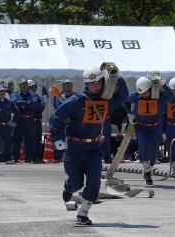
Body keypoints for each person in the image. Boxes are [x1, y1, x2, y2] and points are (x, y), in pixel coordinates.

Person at [49, 66, 115, 225]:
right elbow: (55, 118)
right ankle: (68, 187)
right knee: (76, 183)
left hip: (94, 149)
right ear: (86, 84)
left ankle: (83, 212)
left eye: (99, 82)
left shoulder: (106, 100)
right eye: (92, 83)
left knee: (94, 182)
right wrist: (57, 139)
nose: (96, 86)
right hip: (75, 148)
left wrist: (115, 74)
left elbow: (124, 96)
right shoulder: (76, 101)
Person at [124, 76, 173, 185]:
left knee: (153, 151)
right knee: (145, 144)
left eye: (145, 92)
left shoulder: (158, 97)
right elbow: (124, 101)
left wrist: (164, 85)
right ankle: (146, 170)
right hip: (141, 127)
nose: (143, 95)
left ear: (150, 89)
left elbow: (170, 97)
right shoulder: (136, 96)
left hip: (155, 127)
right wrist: (129, 113)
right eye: (141, 93)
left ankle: (148, 169)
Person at [11, 78, 39, 163]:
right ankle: (14, 158)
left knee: (31, 139)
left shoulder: (32, 94)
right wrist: (26, 103)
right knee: (17, 139)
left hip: (30, 119)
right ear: (19, 86)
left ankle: (33, 158)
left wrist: (22, 104)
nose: (24, 86)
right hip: (20, 120)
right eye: (22, 84)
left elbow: (35, 104)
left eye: (26, 84)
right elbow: (14, 103)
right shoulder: (15, 95)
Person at [102, 75, 128, 164]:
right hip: (92, 122)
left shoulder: (114, 100)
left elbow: (124, 95)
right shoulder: (96, 94)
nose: (114, 87)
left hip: (105, 121)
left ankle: (107, 159)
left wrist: (118, 76)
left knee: (106, 142)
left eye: (116, 86)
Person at [28, 80, 46, 163]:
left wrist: (35, 106)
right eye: (31, 87)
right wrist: (35, 106)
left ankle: (38, 157)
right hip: (31, 120)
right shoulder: (27, 96)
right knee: (31, 140)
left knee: (38, 140)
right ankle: (32, 158)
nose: (33, 88)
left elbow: (42, 106)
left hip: (38, 120)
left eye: (34, 87)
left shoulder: (38, 96)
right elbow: (32, 106)